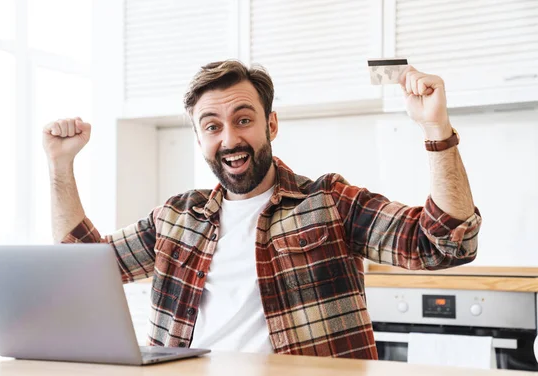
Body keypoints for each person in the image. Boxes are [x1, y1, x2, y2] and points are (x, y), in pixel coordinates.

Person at [42, 60, 481, 359]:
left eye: (244, 119)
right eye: (212, 126)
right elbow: (80, 270)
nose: (230, 138)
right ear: (200, 140)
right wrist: (61, 165)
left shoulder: (329, 203)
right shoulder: (174, 220)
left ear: (271, 124)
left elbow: (444, 243)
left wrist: (435, 129)